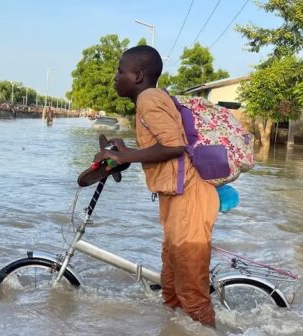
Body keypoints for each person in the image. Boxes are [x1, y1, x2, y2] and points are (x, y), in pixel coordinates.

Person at [92, 45, 219, 327]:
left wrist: (125, 157)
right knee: (171, 289)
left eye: (120, 71)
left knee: (191, 293)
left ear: (138, 75)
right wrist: (127, 151)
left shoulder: (148, 98)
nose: (115, 77)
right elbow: (163, 144)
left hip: (189, 198)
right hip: (176, 198)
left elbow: (174, 146)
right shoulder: (149, 100)